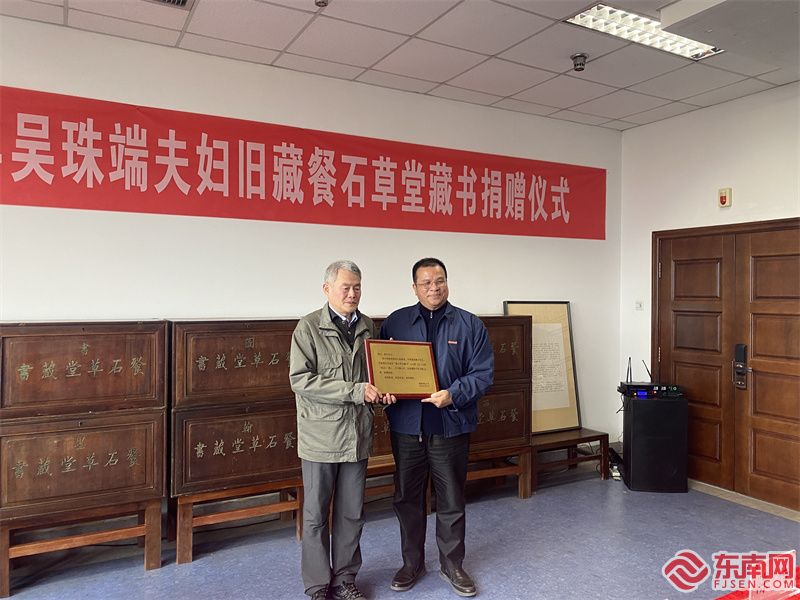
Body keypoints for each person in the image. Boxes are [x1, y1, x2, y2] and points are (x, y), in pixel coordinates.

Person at [379, 258, 494, 598]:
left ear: (447, 282)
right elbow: (382, 367)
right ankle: (412, 563)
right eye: (426, 282)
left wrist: (453, 394)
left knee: (452, 499)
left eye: (439, 280)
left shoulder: (470, 324)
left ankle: (452, 564)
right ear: (414, 288)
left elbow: (483, 373)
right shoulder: (395, 322)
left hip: (451, 425)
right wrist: (385, 391)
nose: (434, 287)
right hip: (407, 426)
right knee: (407, 499)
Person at [290, 260, 390, 600]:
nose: (352, 294)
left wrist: (386, 389)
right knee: (316, 515)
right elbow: (301, 380)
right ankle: (318, 584)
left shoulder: (368, 326)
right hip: (320, 437)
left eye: (357, 287)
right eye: (345, 287)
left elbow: (375, 377)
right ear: (327, 289)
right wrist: (355, 391)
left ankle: (345, 579)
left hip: (357, 436)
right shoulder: (308, 328)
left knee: (351, 513)